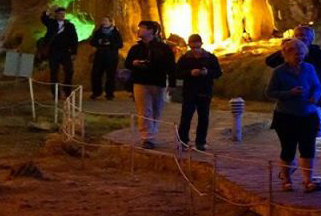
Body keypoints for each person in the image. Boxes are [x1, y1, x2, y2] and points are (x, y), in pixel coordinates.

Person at [266, 38, 321, 192]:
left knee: (308, 147)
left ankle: (308, 180)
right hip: (286, 116)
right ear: (286, 55)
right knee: (288, 148)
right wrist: (289, 93)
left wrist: (315, 96)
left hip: (308, 114)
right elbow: (270, 92)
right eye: (295, 54)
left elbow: (317, 86)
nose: (299, 57)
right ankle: (286, 179)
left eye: (301, 54)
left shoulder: (309, 68)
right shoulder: (279, 72)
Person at [125, 20, 175, 149]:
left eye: (142, 28)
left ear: (151, 31)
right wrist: (134, 63)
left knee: (157, 109)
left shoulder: (163, 48)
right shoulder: (136, 48)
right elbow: (127, 63)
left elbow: (170, 66)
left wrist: (172, 84)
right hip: (141, 81)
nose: (139, 30)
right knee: (144, 110)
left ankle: (151, 132)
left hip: (158, 81)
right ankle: (148, 137)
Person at [265, 24, 321, 111]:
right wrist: (286, 49)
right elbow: (270, 62)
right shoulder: (288, 53)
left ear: (311, 39)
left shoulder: (319, 54)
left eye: (303, 35)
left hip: (313, 102)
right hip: (288, 105)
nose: (300, 38)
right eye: (297, 36)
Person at [175, 34, 222, 151]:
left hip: (204, 91)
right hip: (189, 91)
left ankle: (201, 142)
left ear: (201, 44)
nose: (195, 50)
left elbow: (218, 72)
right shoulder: (185, 58)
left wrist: (207, 72)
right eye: (192, 48)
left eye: (197, 47)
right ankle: (183, 141)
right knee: (186, 117)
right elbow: (177, 73)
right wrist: (190, 72)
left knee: (203, 117)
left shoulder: (210, 58)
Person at [40, 7, 79, 90]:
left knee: (69, 71)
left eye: (63, 14)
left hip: (65, 51)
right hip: (53, 52)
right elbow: (44, 19)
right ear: (56, 15)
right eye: (60, 14)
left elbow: (74, 39)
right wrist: (47, 12)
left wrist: (74, 52)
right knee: (54, 72)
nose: (62, 15)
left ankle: (67, 90)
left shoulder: (69, 26)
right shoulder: (51, 23)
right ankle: (55, 93)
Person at [88, 16, 123, 100]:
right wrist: (98, 42)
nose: (103, 22)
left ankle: (109, 93)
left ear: (111, 22)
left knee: (110, 75)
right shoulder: (98, 32)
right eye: (102, 20)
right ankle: (96, 92)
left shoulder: (115, 33)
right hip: (99, 56)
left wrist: (110, 44)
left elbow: (120, 44)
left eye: (106, 21)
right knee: (96, 74)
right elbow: (92, 42)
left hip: (111, 57)